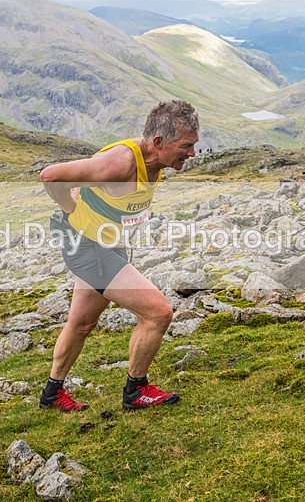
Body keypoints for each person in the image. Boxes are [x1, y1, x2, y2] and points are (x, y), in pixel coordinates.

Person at [38, 100, 199, 412]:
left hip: (106, 243)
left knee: (82, 324)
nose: (191, 153)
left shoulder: (154, 158)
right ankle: (136, 391)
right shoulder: (119, 164)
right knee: (158, 312)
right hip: (87, 247)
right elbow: (50, 176)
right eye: (186, 146)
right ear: (158, 142)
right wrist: (69, 207)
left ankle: (51, 394)